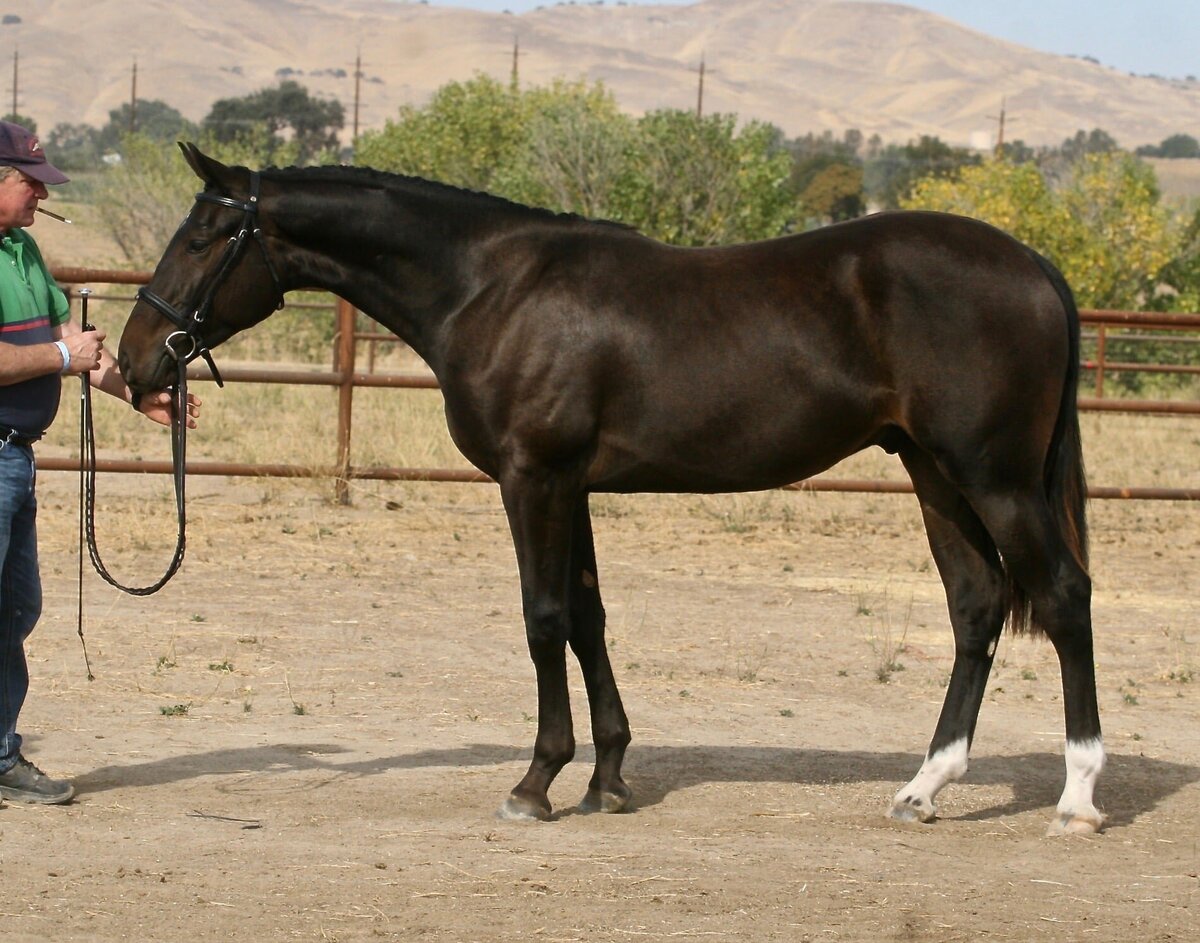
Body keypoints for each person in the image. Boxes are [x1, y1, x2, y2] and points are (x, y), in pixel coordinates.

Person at [0, 120, 198, 807]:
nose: (39, 198)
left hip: (14, 458)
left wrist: (138, 395)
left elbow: (70, 338)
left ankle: (0, 754)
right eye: (30, 184)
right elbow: (61, 352)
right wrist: (63, 359)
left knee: (16, 607)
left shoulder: (23, 250)